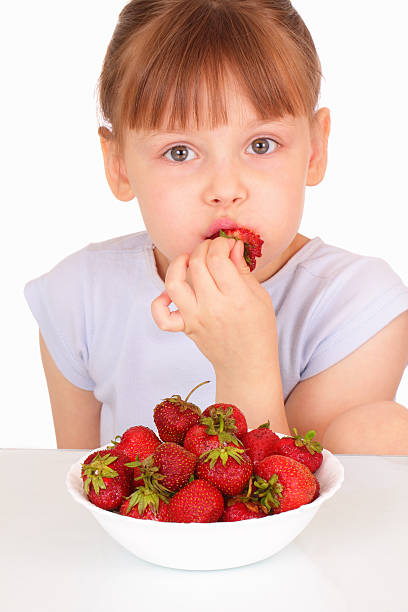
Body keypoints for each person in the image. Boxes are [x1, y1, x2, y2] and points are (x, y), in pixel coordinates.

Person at [24, 0, 408, 453]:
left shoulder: (359, 306)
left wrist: (244, 364)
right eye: (180, 152)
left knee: (384, 432)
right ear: (119, 165)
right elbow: (79, 488)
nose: (226, 189)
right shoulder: (79, 297)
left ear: (315, 149)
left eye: (261, 145)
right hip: (140, 523)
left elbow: (298, 507)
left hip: (301, 524)